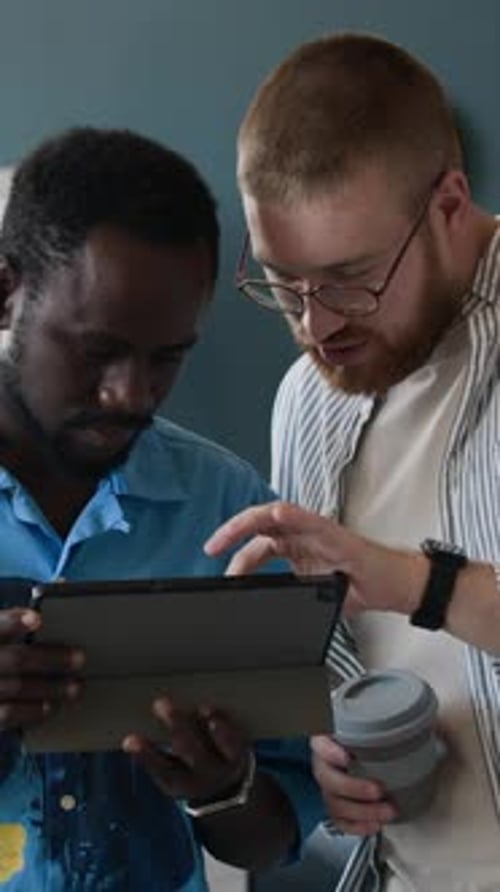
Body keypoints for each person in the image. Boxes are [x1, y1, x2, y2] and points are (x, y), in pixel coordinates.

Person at [205, 32, 500, 891]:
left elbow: (400, 592)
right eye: (280, 283)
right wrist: (331, 755)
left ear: (450, 202)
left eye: (352, 277)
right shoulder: (307, 398)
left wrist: (418, 583)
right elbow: (356, 667)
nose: (317, 325)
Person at [0, 126, 324, 891]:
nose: (132, 395)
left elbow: (275, 830)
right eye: (96, 351)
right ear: (6, 292)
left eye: (167, 357)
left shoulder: (230, 511)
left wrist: (224, 789)